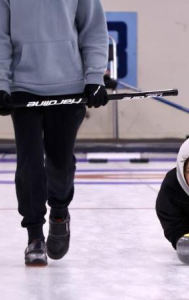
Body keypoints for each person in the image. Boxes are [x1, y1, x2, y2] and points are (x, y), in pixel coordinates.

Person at [0, 0, 109, 266]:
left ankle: (59, 212)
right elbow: (0, 37)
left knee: (60, 162)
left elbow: (93, 29)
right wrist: (1, 83)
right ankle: (35, 235)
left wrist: (95, 77)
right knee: (29, 164)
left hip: (68, 86)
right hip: (23, 86)